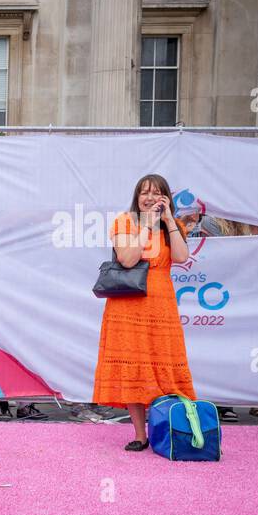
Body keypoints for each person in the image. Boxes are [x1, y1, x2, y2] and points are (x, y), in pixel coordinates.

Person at [92, 173, 196, 451]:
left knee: (165, 365)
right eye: (144, 193)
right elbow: (127, 259)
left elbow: (181, 257)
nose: (149, 198)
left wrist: (169, 221)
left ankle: (171, 429)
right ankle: (140, 434)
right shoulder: (125, 222)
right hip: (127, 304)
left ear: (166, 199)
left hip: (161, 305)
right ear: (137, 197)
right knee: (133, 368)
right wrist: (146, 226)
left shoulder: (170, 226)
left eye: (157, 193)